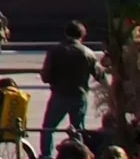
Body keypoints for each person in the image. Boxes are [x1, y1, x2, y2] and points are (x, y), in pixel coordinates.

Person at [39, 20, 103, 159]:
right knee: (78, 129)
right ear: (82, 35)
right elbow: (99, 75)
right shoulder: (88, 53)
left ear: (65, 33)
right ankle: (79, 155)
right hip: (79, 95)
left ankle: (46, 155)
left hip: (59, 95)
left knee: (48, 128)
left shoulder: (55, 51)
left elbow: (45, 76)